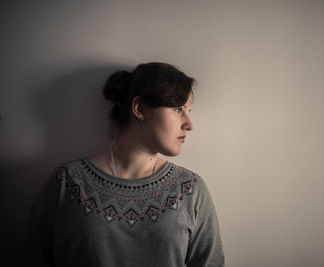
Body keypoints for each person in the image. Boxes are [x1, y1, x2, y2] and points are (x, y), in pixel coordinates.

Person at [23, 62, 225, 266]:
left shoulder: (190, 189)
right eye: (179, 109)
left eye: (189, 110)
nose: (189, 124)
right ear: (140, 109)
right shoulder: (68, 182)